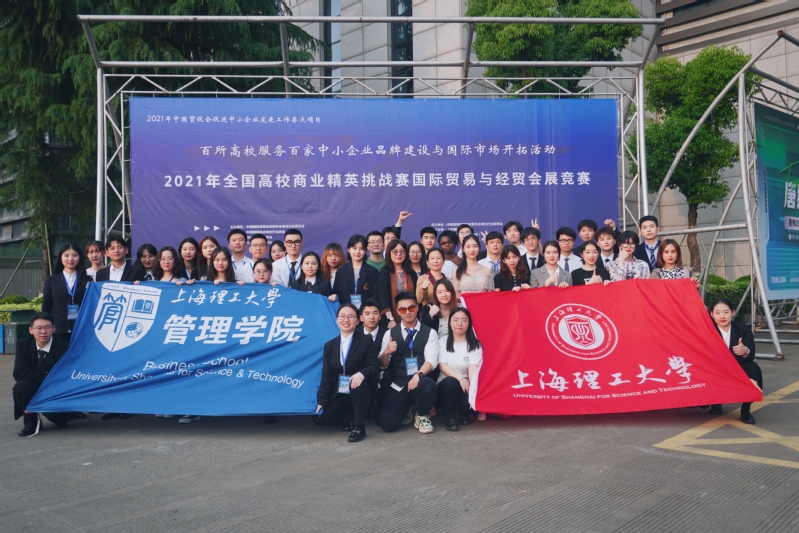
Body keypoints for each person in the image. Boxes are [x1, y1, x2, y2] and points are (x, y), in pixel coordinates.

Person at [315, 304, 380, 443]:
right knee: (320, 419)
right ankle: (350, 418)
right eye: (342, 316)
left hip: (362, 389)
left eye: (351, 316)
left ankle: (359, 427)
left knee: (357, 384)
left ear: (357, 320)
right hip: (341, 390)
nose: (346, 320)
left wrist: (362, 374)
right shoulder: (330, 346)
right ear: (336, 320)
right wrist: (321, 401)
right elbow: (326, 375)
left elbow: (374, 366)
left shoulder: (366, 340)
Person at [379, 292, 439, 434]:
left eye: (411, 308)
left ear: (417, 308)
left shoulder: (430, 332)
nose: (407, 312)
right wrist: (386, 352)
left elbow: (431, 360)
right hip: (399, 384)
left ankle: (422, 415)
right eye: (403, 309)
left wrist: (418, 375)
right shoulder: (389, 334)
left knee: (427, 385)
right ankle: (407, 409)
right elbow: (383, 364)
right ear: (398, 311)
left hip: (420, 380)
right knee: (388, 424)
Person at [13, 312, 70, 436]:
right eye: (39, 328)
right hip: (36, 383)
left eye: (47, 327)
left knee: (59, 420)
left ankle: (61, 416)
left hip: (54, 388)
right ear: (31, 330)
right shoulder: (23, 345)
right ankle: (31, 424)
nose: (43, 331)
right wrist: (45, 379)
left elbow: (64, 376)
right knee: (21, 387)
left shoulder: (63, 347)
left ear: (54, 329)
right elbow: (19, 372)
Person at [708, 298, 762, 424]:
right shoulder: (708, 330)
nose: (722, 316)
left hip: (737, 365)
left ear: (733, 312)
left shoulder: (742, 328)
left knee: (753, 368)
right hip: (716, 367)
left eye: (726, 312)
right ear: (711, 314)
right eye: (717, 313)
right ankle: (715, 403)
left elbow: (751, 354)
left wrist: (745, 351)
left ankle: (745, 411)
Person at [437, 308, 483, 431]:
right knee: (450, 383)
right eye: (455, 320)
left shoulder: (475, 345)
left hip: (466, 384)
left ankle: (464, 414)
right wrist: (460, 378)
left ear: (469, 323)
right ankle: (450, 418)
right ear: (450, 323)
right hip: (447, 384)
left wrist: (472, 387)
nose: (459, 323)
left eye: (464, 320)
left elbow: (473, 367)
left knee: (467, 407)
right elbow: (442, 365)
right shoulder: (442, 341)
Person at [42, 243, 90, 345]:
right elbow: (46, 306)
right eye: (66, 255)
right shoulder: (51, 280)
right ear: (61, 257)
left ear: (80, 257)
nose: (70, 259)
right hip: (57, 329)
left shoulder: (87, 280)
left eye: (74, 255)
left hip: (80, 329)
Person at [377, 239, 418, 329]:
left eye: (402, 251)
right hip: (393, 320)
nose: (399, 254)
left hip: (411, 316)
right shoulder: (384, 272)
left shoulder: (412, 273)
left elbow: (416, 296)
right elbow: (383, 298)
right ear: (389, 253)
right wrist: (390, 319)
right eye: (395, 252)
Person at [332, 234, 379, 306]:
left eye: (361, 249)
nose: (357, 252)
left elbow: (376, 295)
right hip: (346, 310)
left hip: (366, 311)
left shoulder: (373, 272)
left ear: (365, 250)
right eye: (354, 248)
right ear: (348, 249)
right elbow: (336, 292)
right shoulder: (341, 271)